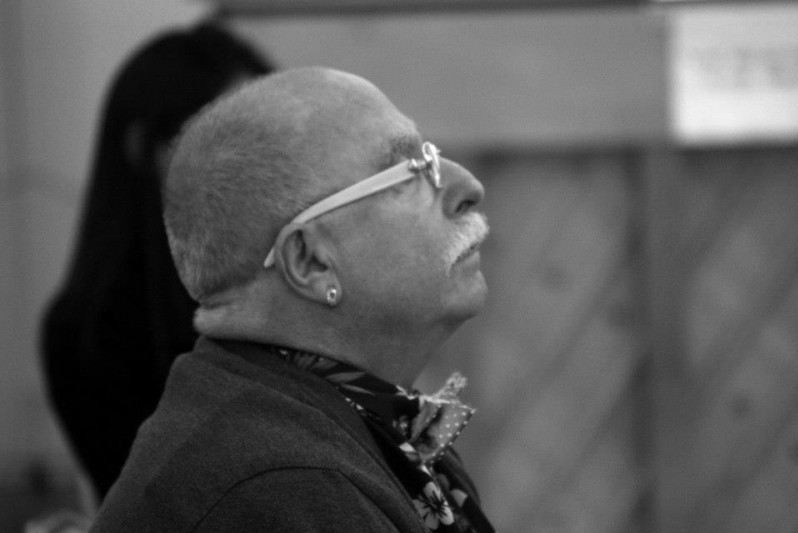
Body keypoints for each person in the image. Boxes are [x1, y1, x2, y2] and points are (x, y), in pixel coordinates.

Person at [91, 67, 495, 532]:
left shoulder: (314, 425)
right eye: (411, 172)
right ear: (310, 261)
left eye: (431, 155)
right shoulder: (281, 487)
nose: (468, 187)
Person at [40, 22, 273, 501]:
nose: (263, 166)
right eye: (233, 139)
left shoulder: (284, 278)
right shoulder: (89, 333)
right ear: (145, 146)